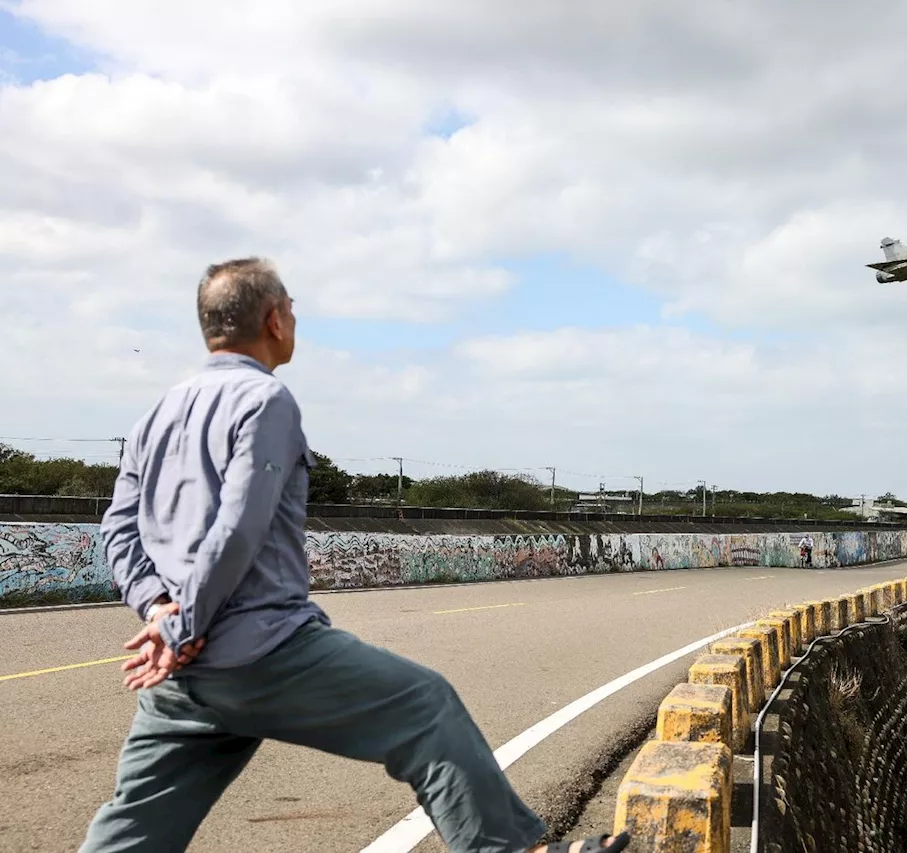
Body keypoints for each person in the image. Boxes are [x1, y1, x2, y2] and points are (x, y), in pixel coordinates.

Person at [81, 258, 629, 853]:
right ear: (273, 320)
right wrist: (184, 623)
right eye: (291, 309)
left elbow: (118, 529)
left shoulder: (154, 416)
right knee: (425, 707)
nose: (294, 319)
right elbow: (238, 527)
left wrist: (159, 611)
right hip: (262, 650)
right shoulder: (265, 401)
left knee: (134, 826)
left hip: (183, 673)